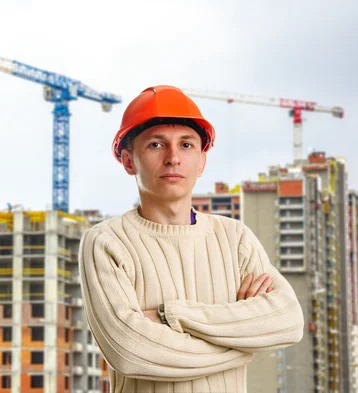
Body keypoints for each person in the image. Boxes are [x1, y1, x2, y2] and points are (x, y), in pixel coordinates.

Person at [79, 85, 304, 393]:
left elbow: (287, 320)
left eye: (186, 145)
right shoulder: (107, 242)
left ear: (201, 162)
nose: (173, 158)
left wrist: (169, 314)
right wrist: (242, 344)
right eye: (157, 145)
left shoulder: (234, 238)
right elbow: (130, 351)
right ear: (129, 161)